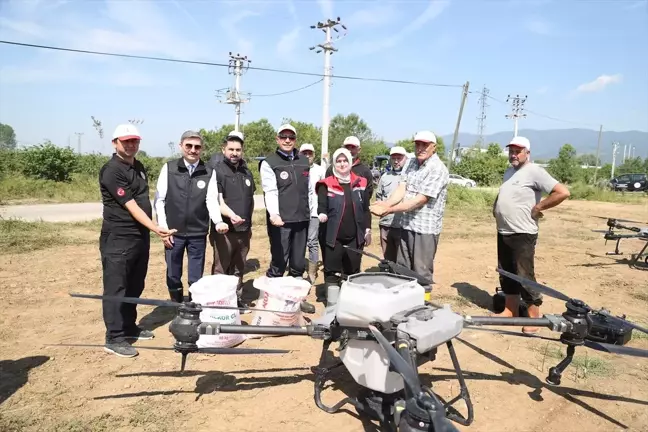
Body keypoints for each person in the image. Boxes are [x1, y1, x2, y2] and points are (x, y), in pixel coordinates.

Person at [99, 124, 176, 358]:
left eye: (134, 141)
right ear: (115, 143)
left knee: (135, 284)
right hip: (119, 238)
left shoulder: (139, 167)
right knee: (117, 287)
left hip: (138, 237)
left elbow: (145, 200)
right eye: (125, 142)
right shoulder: (112, 170)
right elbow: (131, 205)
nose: (131, 145)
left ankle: (129, 327)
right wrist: (156, 228)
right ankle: (114, 337)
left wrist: (149, 229)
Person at [492, 136, 570, 333]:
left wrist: (540, 206)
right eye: (511, 150)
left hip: (523, 232)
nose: (513, 154)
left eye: (518, 151)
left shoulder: (534, 171)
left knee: (524, 274)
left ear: (527, 153)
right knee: (506, 272)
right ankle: (510, 310)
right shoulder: (510, 172)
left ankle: (533, 316)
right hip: (505, 230)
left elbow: (562, 192)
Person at [369, 131, 449, 302]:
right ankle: (405, 305)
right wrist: (386, 203)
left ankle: (423, 306)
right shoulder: (411, 162)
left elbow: (420, 200)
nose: (420, 148)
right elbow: (402, 188)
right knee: (403, 269)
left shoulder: (438, 168)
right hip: (406, 225)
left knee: (421, 272)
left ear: (434, 147)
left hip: (425, 229)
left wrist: (389, 210)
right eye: (417, 144)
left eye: (425, 145)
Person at [154, 130, 228, 304]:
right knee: (173, 273)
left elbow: (211, 200)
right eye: (189, 146)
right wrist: (164, 229)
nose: (193, 150)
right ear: (181, 146)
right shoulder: (169, 168)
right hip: (173, 232)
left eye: (197, 147)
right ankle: (176, 303)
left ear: (202, 149)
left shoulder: (208, 171)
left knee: (196, 275)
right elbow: (159, 201)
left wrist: (218, 221)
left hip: (197, 232)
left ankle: (192, 306)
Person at [259, 123, 315, 313]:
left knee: (298, 262)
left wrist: (313, 212)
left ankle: (296, 302)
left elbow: (310, 190)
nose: (287, 140)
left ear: (295, 140)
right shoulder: (269, 162)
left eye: (291, 137)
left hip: (301, 219)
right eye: (284, 137)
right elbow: (270, 191)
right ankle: (271, 301)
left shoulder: (303, 160)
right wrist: (274, 214)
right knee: (279, 261)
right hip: (280, 221)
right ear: (277, 139)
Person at [316, 148, 370, 302]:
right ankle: (332, 305)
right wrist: (322, 214)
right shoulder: (325, 184)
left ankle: (349, 303)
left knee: (352, 270)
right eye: (338, 161)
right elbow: (321, 205)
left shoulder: (361, 182)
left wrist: (367, 230)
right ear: (334, 163)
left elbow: (365, 209)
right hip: (333, 236)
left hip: (355, 236)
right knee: (332, 271)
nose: (342, 164)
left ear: (350, 162)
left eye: (345, 160)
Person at [211, 130, 256, 309]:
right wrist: (231, 216)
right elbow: (217, 201)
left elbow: (250, 200)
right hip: (225, 230)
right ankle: (219, 303)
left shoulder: (247, 171)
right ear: (224, 149)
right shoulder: (217, 171)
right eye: (231, 149)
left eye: (238, 149)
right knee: (222, 268)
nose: (234, 153)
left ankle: (236, 300)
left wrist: (249, 224)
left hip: (244, 230)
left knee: (239, 267)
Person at [325, 135, 374, 247]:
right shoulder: (331, 169)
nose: (350, 150)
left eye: (353, 147)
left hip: (357, 221)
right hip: (336, 222)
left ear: (359, 149)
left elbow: (367, 196)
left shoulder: (364, 171)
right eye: (347, 147)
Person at [375, 146, 408, 262]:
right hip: (386, 223)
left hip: (402, 224)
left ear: (405, 159)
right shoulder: (385, 176)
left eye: (399, 158)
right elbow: (379, 196)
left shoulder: (410, 177)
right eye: (393, 158)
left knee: (402, 258)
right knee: (388, 258)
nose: (396, 161)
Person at [299, 143, 326, 283]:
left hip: (314, 212)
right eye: (304, 153)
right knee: (299, 241)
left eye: (310, 153)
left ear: (314, 155)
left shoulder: (320, 170)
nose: (307, 155)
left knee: (312, 241)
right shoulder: (296, 169)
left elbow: (324, 192)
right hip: (299, 212)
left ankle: (312, 272)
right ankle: (297, 268)